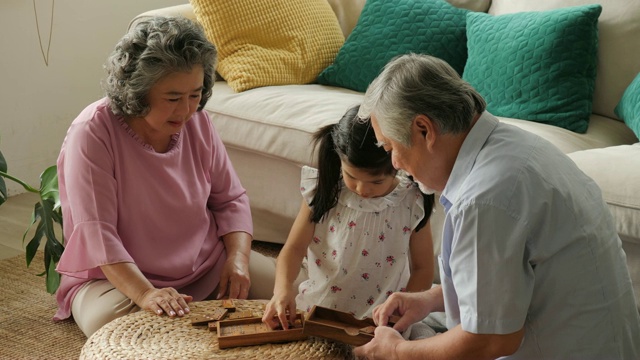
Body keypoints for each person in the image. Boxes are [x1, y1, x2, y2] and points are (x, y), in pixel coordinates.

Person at [353, 53, 640, 359]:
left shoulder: (483, 199)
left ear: (424, 129)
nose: (395, 164)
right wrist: (429, 299)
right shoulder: (519, 146)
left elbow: (491, 340)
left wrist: (397, 351)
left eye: (391, 148)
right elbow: (512, 282)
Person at [53, 16, 254, 337]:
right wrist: (146, 294)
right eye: (173, 98)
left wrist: (238, 259)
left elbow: (230, 199)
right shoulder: (92, 131)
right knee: (114, 331)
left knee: (299, 292)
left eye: (195, 94)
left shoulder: (197, 119)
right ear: (139, 91)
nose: (187, 110)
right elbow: (97, 232)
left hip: (205, 264)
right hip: (116, 279)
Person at [260, 105, 435, 330]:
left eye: (377, 182)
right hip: (319, 310)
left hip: (381, 321)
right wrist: (282, 290)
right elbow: (293, 249)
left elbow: (423, 269)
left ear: (397, 164)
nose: (362, 189)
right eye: (351, 176)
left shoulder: (411, 202)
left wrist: (403, 310)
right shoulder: (324, 190)